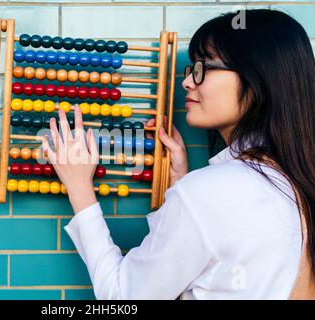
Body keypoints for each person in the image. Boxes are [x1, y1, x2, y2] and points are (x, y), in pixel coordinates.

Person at [41, 9, 315, 299]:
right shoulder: (295, 178)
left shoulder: (209, 193)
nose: (187, 82)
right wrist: (181, 183)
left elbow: (122, 297)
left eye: (203, 69)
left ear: (257, 78)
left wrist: (80, 190)